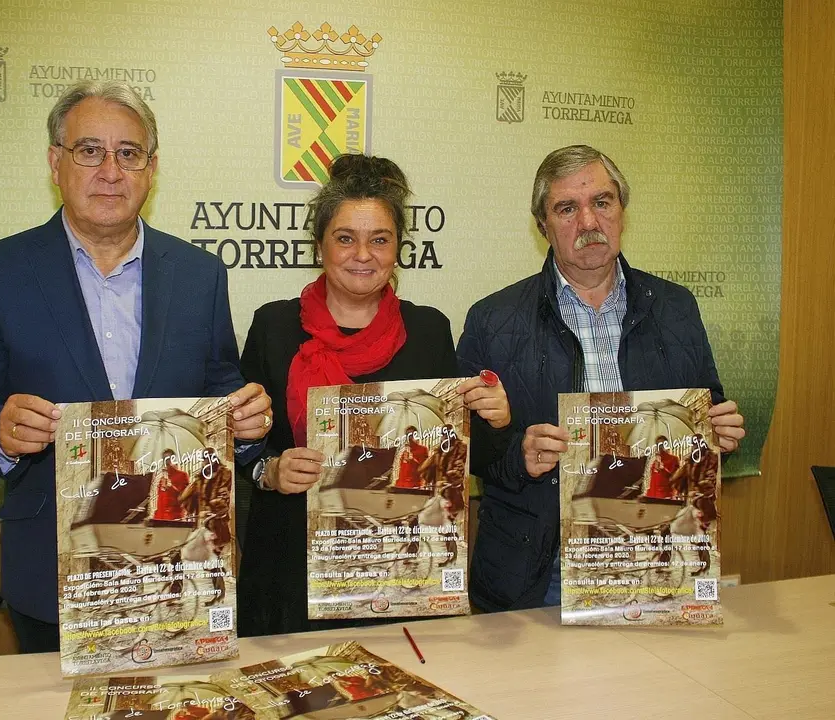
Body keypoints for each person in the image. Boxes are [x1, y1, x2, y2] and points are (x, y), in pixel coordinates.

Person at [0, 80, 272, 653]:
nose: (110, 171)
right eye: (89, 150)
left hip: (178, 561)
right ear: (55, 163)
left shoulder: (199, 274)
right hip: (55, 567)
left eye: (128, 153)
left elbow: (220, 388)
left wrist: (246, 422)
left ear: (151, 168)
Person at [456, 144, 746, 611]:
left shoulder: (676, 307)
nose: (589, 222)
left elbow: (705, 418)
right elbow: (462, 453)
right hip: (539, 569)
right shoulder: (492, 319)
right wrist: (518, 455)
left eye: (602, 202)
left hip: (657, 555)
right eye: (567, 209)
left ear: (622, 211)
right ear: (543, 226)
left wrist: (720, 437)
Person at [235, 153, 511, 636]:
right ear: (319, 245)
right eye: (345, 238)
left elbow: (465, 459)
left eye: (379, 239)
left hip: (401, 573)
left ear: (398, 248)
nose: (363, 254)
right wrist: (270, 470)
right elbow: (240, 446)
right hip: (289, 576)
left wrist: (497, 419)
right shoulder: (273, 327)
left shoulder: (429, 331)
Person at [151, 449, 191, 521]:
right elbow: (160, 501)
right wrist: (156, 517)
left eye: (169, 459)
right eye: (164, 459)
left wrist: (171, 488)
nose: (167, 462)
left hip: (175, 518)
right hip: (161, 519)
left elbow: (184, 498)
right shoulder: (162, 479)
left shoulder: (182, 475)